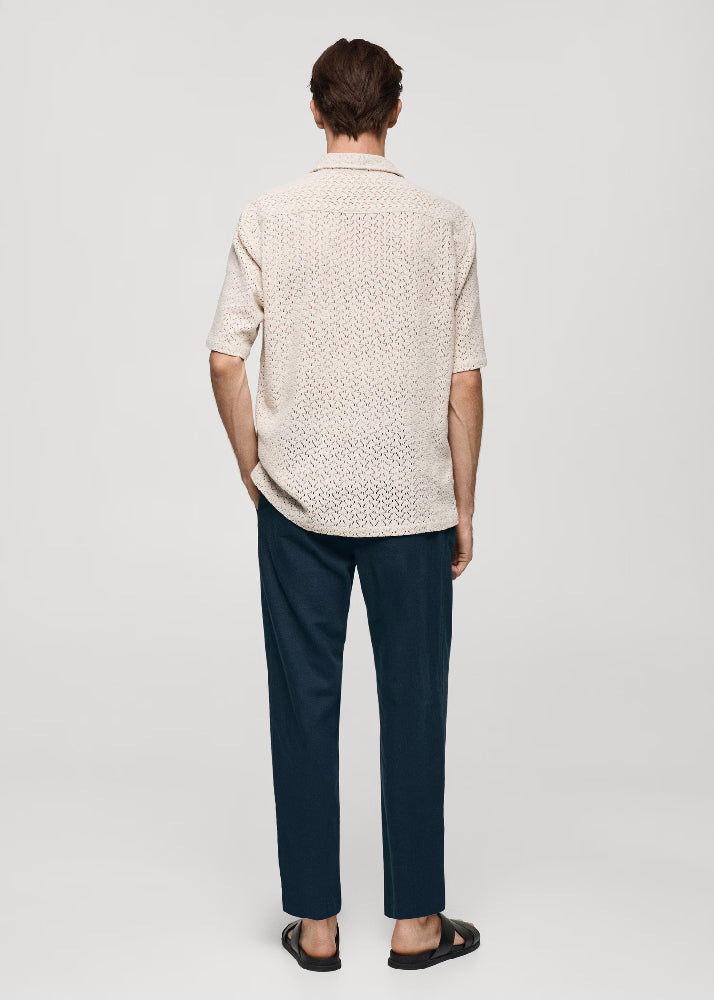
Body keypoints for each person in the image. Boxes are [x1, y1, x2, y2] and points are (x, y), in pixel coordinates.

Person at [206, 37, 486, 972]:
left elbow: (224, 358)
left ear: (316, 110)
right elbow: (464, 382)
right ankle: (415, 925)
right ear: (395, 111)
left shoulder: (268, 216)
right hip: (414, 503)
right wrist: (464, 505)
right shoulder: (446, 224)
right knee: (415, 705)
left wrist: (254, 466)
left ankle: (317, 927)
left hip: (298, 502)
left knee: (302, 704)